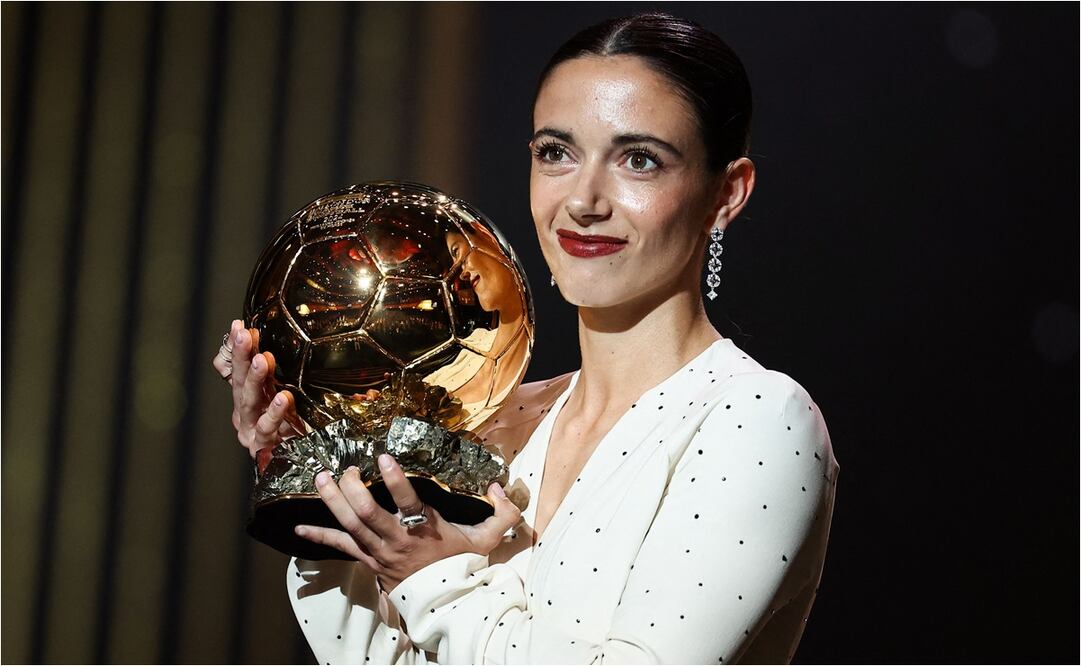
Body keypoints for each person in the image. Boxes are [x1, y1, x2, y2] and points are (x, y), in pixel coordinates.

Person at [213, 12, 838, 664]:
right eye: (556, 153)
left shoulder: (756, 417)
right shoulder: (494, 425)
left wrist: (435, 579)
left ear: (727, 193)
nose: (583, 201)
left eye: (639, 160)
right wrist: (313, 472)